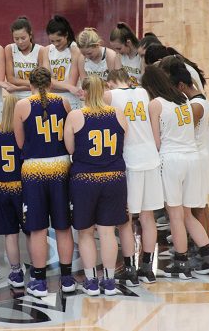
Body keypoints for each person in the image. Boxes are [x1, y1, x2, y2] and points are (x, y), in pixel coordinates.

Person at [142, 66, 209, 278]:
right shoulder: (184, 100)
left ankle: (181, 263)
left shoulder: (155, 104)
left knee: (176, 215)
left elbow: (156, 141)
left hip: (172, 159)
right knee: (187, 214)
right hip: (192, 158)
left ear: (149, 87)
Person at [13, 66, 75, 297]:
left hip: (34, 168)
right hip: (61, 166)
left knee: (37, 228)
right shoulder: (64, 103)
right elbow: (69, 139)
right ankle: (67, 278)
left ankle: (39, 280)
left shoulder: (21, 105)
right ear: (51, 83)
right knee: (63, 226)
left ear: (30, 84)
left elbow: (20, 143)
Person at [64, 74, 128, 296]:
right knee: (108, 232)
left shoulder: (75, 115)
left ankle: (91, 282)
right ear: (103, 91)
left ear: (83, 92)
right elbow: (124, 141)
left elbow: (70, 150)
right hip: (114, 177)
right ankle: (109, 282)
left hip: (85, 179)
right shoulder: (118, 113)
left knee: (85, 233)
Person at [105, 69, 163, 285]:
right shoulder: (144, 93)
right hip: (150, 157)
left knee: (125, 220)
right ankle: (147, 268)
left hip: (130, 159)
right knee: (148, 218)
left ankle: (129, 269)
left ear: (110, 82)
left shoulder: (110, 96)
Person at [159, 56, 209, 240]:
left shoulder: (195, 106)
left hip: (198, 156)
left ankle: (204, 250)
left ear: (181, 86)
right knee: (196, 206)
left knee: (199, 208)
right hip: (195, 155)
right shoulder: (195, 100)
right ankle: (197, 244)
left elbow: (180, 132)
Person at [0, 94, 26, 288]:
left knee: (10, 234)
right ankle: (37, 272)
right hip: (22, 186)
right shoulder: (24, 131)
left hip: (2, 186)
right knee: (31, 232)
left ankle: (16, 272)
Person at [42, 15, 81, 110]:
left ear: (66, 35)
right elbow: (46, 80)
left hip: (71, 99)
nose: (56, 44)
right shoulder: (47, 50)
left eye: (59, 40)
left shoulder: (75, 50)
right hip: (52, 98)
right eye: (52, 41)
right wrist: (67, 87)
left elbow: (72, 83)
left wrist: (56, 85)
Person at [4, 17, 43, 99]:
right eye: (16, 39)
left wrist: (17, 87)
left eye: (23, 38)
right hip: (15, 98)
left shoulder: (40, 50)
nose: (20, 42)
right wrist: (33, 83)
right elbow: (11, 79)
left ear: (30, 35)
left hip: (35, 97)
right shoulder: (9, 49)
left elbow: (41, 82)